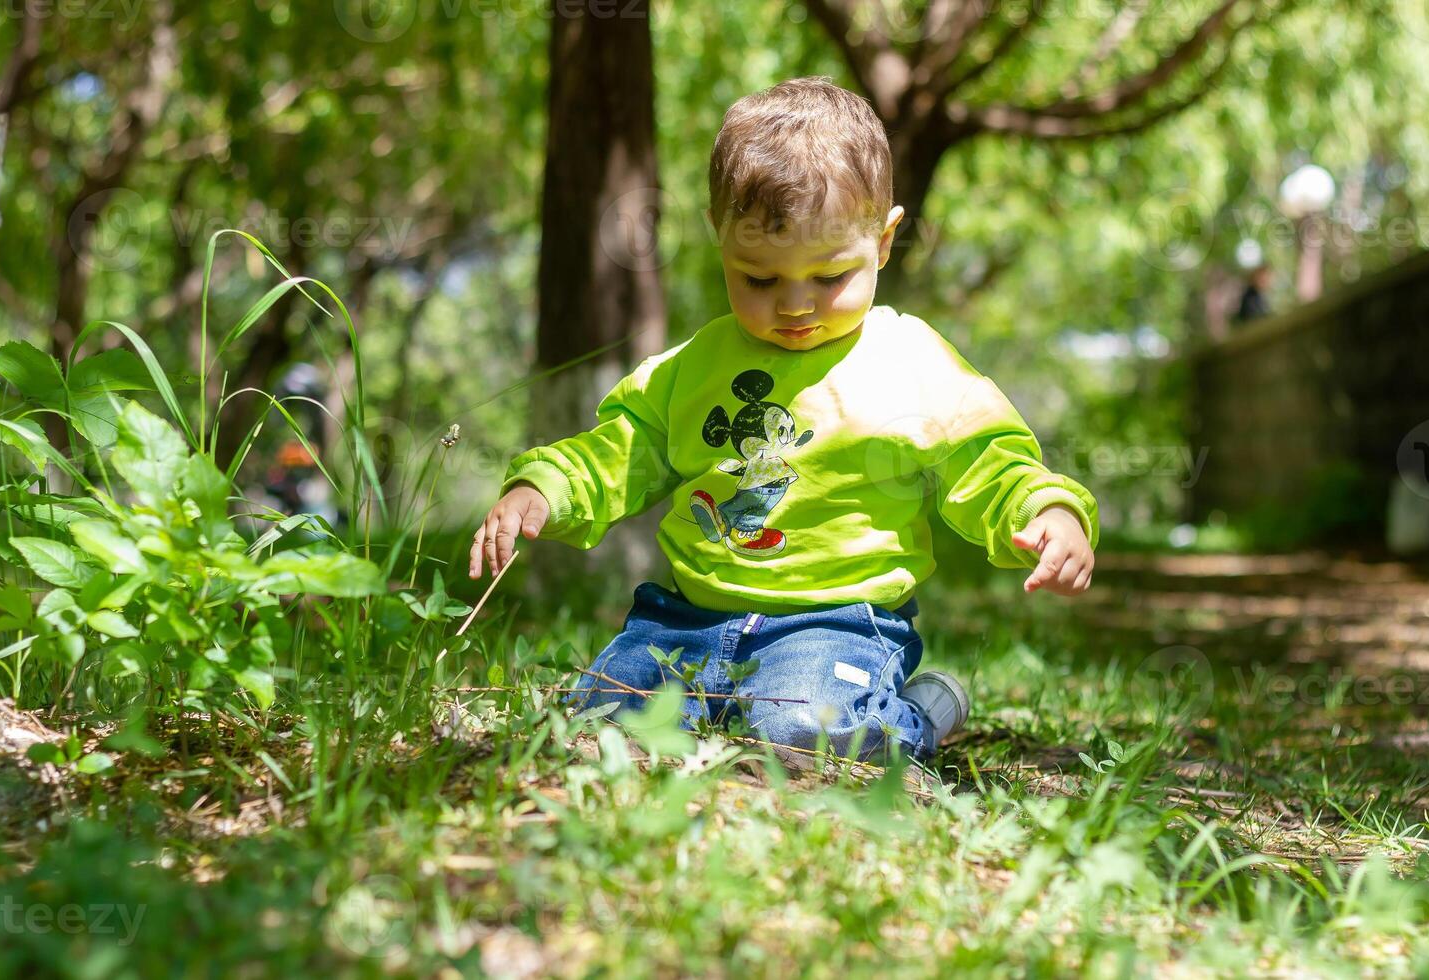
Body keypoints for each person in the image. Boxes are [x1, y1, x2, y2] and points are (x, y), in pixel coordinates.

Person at [468, 77, 1099, 768]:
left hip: (834, 627)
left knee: (807, 737)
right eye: (760, 280)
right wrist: (545, 488)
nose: (795, 305)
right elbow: (625, 447)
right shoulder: (696, 364)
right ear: (720, 242)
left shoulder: (910, 361)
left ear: (883, 242)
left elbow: (987, 456)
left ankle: (920, 713)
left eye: (829, 277)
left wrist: (1048, 508)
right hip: (684, 619)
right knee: (590, 729)